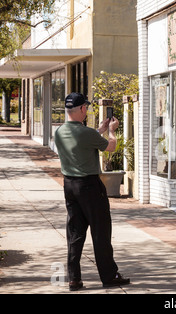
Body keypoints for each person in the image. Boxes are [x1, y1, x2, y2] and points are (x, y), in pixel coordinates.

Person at [55, 92, 130, 291]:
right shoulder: (86, 133)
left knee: (75, 233)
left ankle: (74, 279)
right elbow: (111, 147)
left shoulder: (60, 131)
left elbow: (82, 140)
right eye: (85, 107)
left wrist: (100, 130)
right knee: (101, 231)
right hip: (90, 186)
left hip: (69, 186)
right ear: (81, 109)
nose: (86, 110)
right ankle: (109, 275)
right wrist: (111, 131)